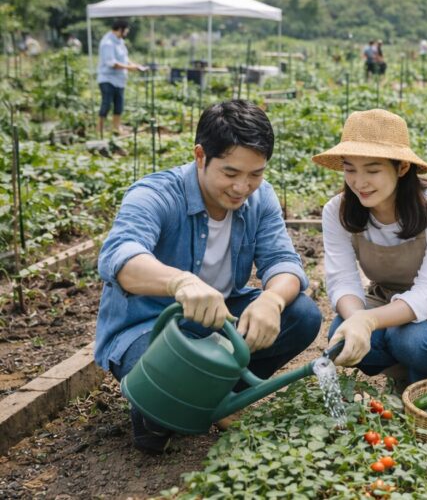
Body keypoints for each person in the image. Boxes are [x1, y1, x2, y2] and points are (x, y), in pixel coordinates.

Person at [94, 100, 322, 454]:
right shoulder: (155, 194)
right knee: (156, 434)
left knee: (302, 315)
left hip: (221, 317)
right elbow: (120, 258)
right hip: (152, 327)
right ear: (200, 156)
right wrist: (181, 283)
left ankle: (226, 395)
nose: (242, 187)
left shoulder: (260, 198)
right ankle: (180, 403)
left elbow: (283, 262)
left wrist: (272, 300)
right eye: (230, 174)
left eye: (255, 174)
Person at [313, 109, 427, 389]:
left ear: (402, 168)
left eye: (372, 170)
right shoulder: (337, 211)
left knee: (411, 340)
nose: (359, 182)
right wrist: (357, 321)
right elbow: (343, 280)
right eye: (350, 169)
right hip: (385, 300)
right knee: (340, 333)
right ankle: (403, 376)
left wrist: (369, 320)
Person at [97, 19, 147, 137]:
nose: (126, 33)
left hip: (119, 80)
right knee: (106, 104)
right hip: (107, 79)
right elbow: (112, 63)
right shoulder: (107, 43)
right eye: (126, 31)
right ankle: (99, 130)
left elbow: (125, 59)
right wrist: (130, 68)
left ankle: (116, 128)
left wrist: (135, 65)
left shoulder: (120, 42)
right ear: (120, 29)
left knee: (119, 105)